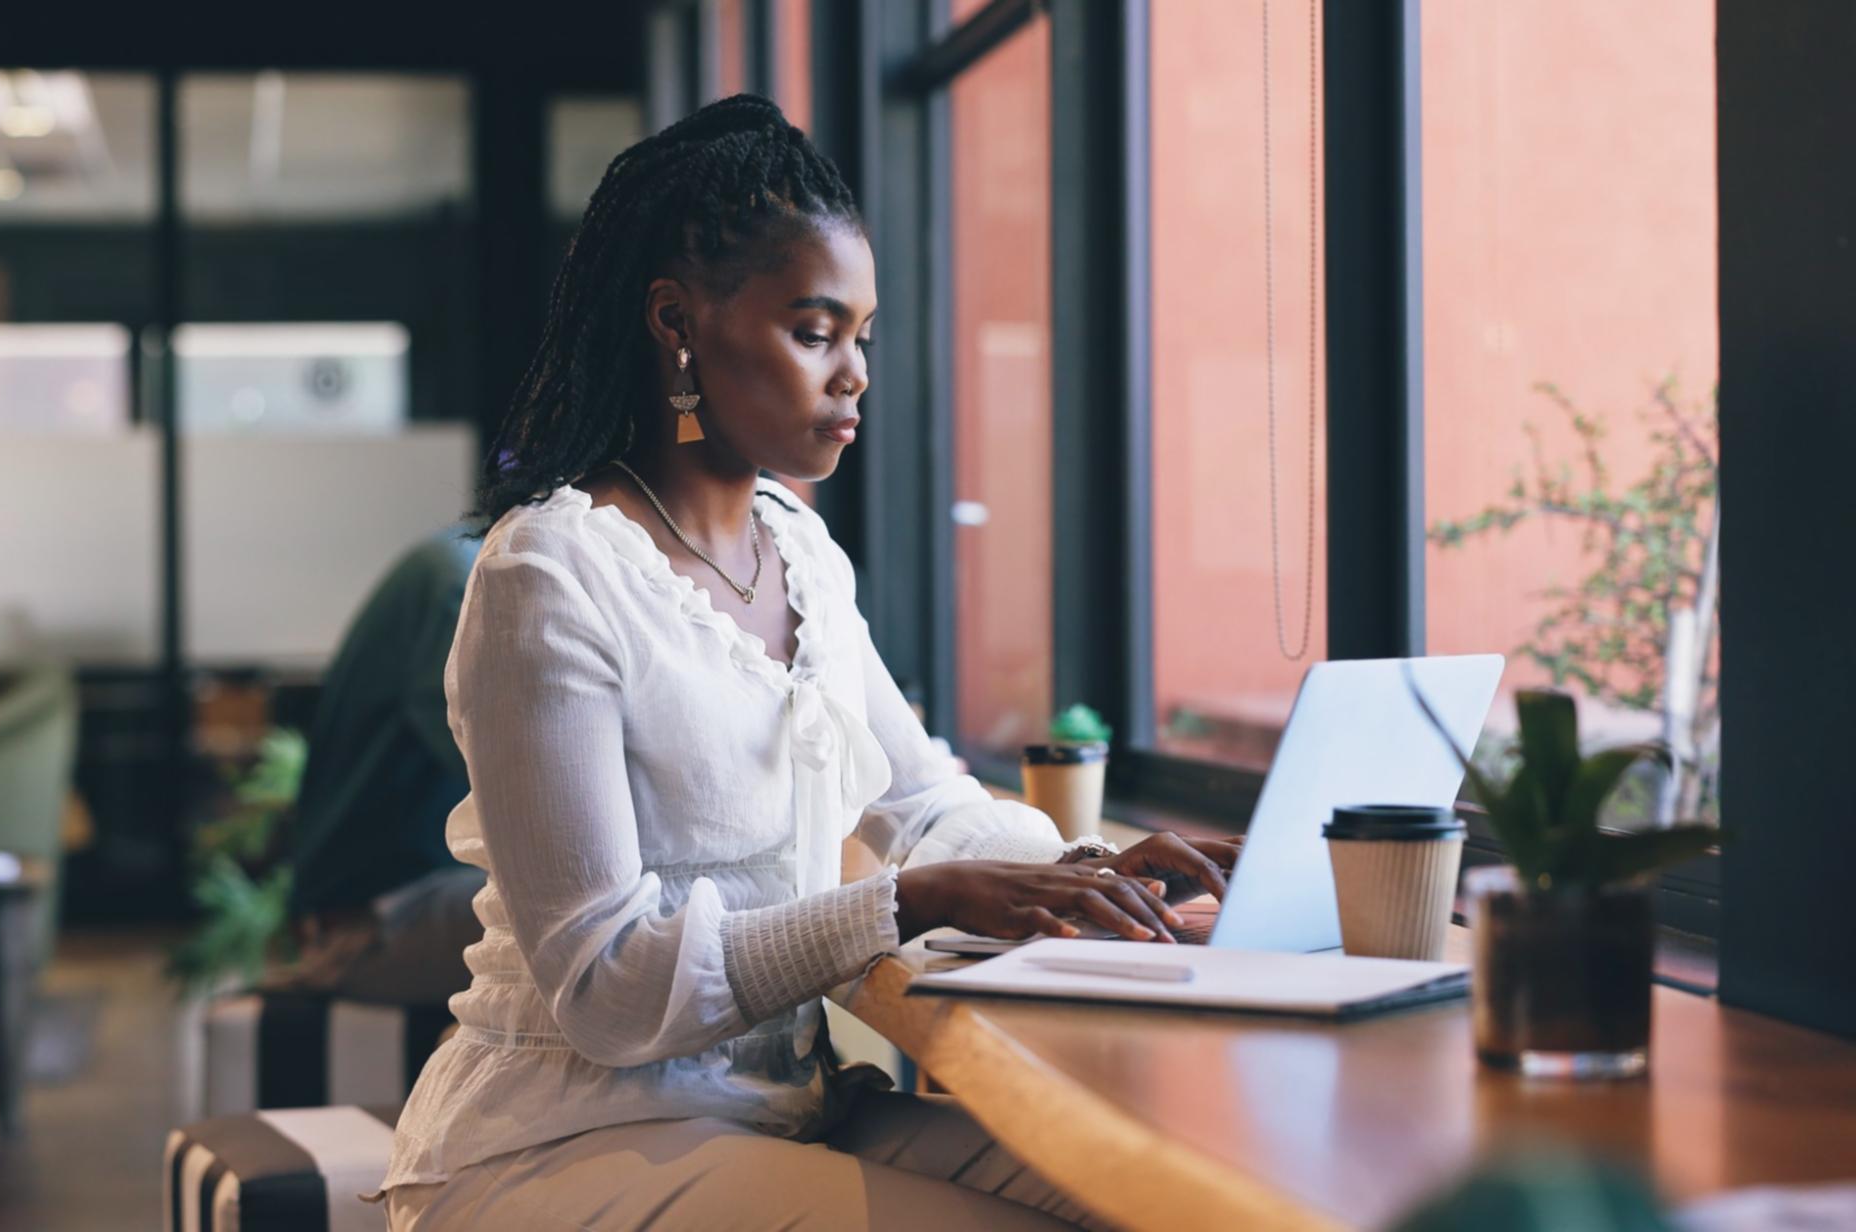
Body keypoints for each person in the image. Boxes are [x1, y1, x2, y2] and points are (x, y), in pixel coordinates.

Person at [377, 96, 1241, 1229]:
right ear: (676, 325)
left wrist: (1095, 869)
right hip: (562, 1136)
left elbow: (924, 799)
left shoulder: (799, 549)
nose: (854, 377)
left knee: (1137, 1203)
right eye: (813, 330)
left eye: (862, 337)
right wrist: (902, 902)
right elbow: (606, 984)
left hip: (779, 1105)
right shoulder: (547, 574)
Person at [263, 525, 484, 1099]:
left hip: (393, 905)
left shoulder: (455, 566)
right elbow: (515, 784)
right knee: (579, 926)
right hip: (364, 927)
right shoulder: (462, 589)